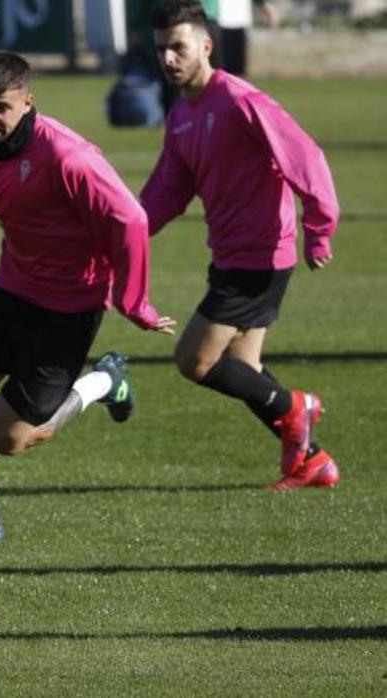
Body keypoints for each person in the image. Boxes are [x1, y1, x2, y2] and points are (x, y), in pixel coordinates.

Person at [0, 50, 176, 546]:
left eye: (1, 107)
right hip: (10, 288)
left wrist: (135, 303)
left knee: (10, 438)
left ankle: (103, 382)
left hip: (70, 306)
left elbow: (130, 221)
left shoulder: (68, 156)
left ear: (28, 102)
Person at [142, 0, 340, 490]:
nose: (169, 58)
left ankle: (297, 406)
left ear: (206, 47)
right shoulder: (183, 116)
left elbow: (305, 157)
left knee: (194, 360)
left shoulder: (241, 100)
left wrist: (319, 227)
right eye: (162, 49)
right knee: (241, 367)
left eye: (179, 48)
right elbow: (166, 191)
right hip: (230, 256)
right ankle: (312, 462)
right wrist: (122, 235)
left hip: (259, 258)